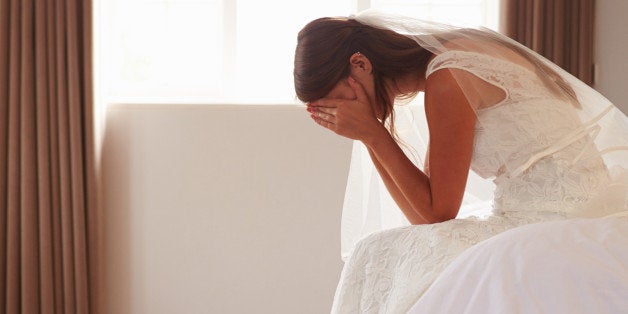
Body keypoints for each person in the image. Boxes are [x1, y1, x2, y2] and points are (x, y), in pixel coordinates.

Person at [294, 10, 628, 313]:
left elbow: (438, 212)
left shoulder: (449, 76)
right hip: (555, 203)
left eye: (337, 101)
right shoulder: (449, 60)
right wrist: (370, 134)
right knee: (379, 249)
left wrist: (373, 133)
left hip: (551, 213)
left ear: (361, 64)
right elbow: (425, 215)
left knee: (376, 252)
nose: (341, 114)